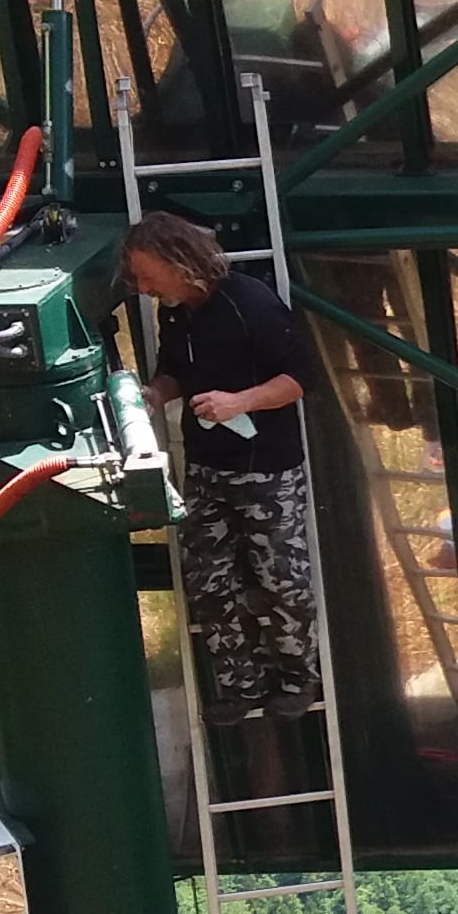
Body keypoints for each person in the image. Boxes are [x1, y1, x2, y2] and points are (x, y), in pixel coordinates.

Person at [126, 213, 329, 723]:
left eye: (149, 275)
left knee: (283, 577)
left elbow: (301, 376)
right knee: (207, 581)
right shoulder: (173, 313)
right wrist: (154, 394)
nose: (144, 288)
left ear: (180, 263)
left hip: (268, 470)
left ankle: (297, 678)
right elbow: (176, 369)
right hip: (206, 468)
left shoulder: (250, 302)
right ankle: (240, 684)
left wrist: (240, 402)